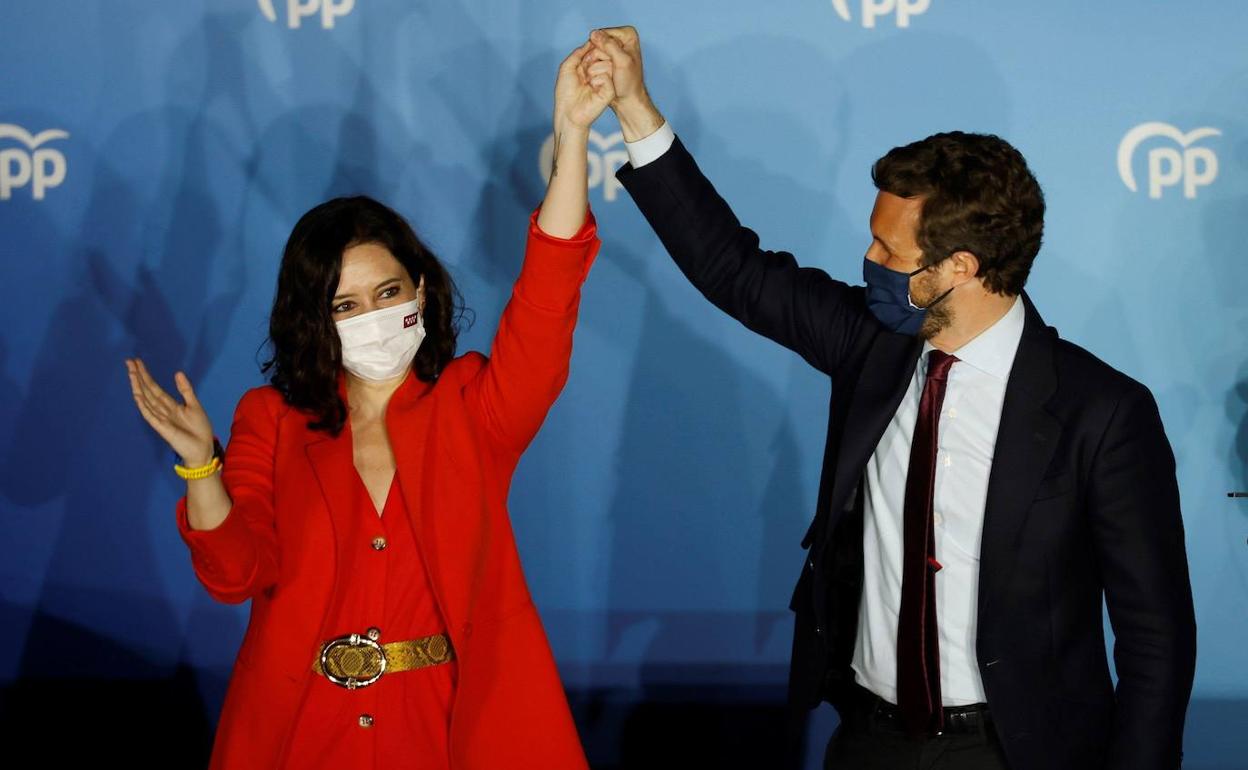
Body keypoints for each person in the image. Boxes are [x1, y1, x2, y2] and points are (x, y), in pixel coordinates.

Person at [584, 26, 1196, 770]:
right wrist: (635, 108)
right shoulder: (870, 342)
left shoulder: (1102, 413)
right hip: (868, 741)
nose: (867, 260)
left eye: (889, 252)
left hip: (1017, 752)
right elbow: (731, 269)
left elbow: (1154, 637)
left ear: (960, 266)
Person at [124, 41, 617, 770]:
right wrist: (202, 469)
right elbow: (234, 575)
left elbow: (547, 298)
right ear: (315, 322)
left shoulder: (472, 403)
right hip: (305, 733)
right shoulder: (271, 419)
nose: (373, 317)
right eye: (345, 305)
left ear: (421, 289)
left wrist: (572, 136)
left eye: (387, 293)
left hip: (447, 730)